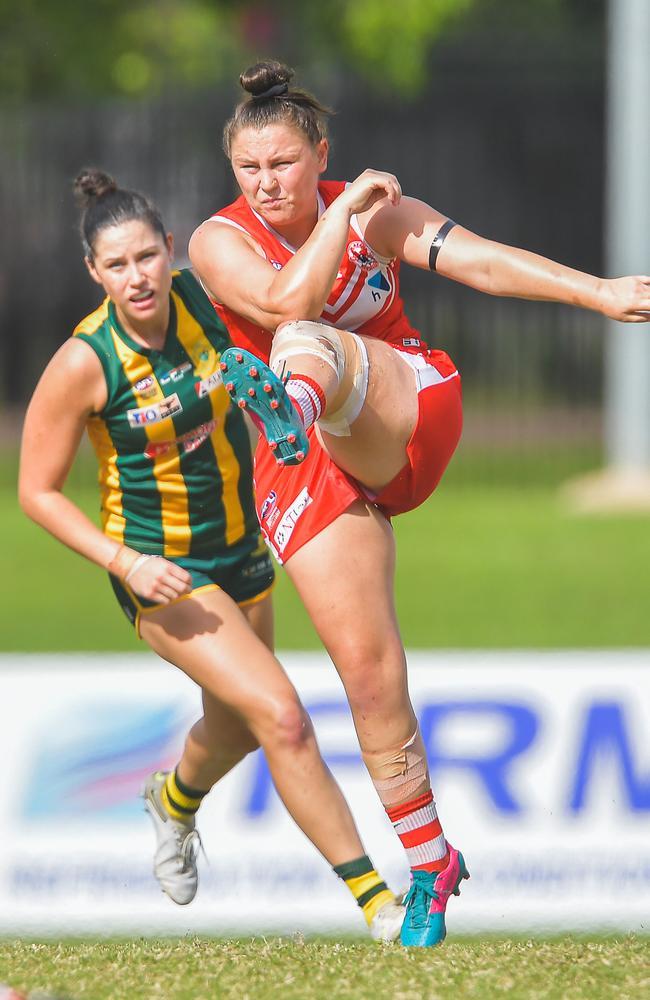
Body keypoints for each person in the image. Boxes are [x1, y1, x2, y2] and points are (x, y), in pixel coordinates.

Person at [188, 59, 650, 948]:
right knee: (367, 671)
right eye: (250, 169)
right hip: (308, 466)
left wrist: (597, 293)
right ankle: (431, 861)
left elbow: (478, 263)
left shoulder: (376, 213)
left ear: (320, 150)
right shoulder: (218, 241)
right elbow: (290, 290)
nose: (267, 183)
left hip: (400, 408)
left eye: (284, 164)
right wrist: (338, 215)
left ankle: (296, 403)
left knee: (306, 341)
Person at [17, 169, 407, 942]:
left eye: (146, 258)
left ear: (169, 250)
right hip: (163, 573)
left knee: (232, 726)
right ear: (94, 274)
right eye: (116, 266)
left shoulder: (205, 301)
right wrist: (124, 563)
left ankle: (173, 801)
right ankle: (377, 903)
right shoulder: (85, 361)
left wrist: (346, 222)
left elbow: (290, 301)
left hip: (241, 550)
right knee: (284, 719)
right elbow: (37, 491)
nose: (137, 277)